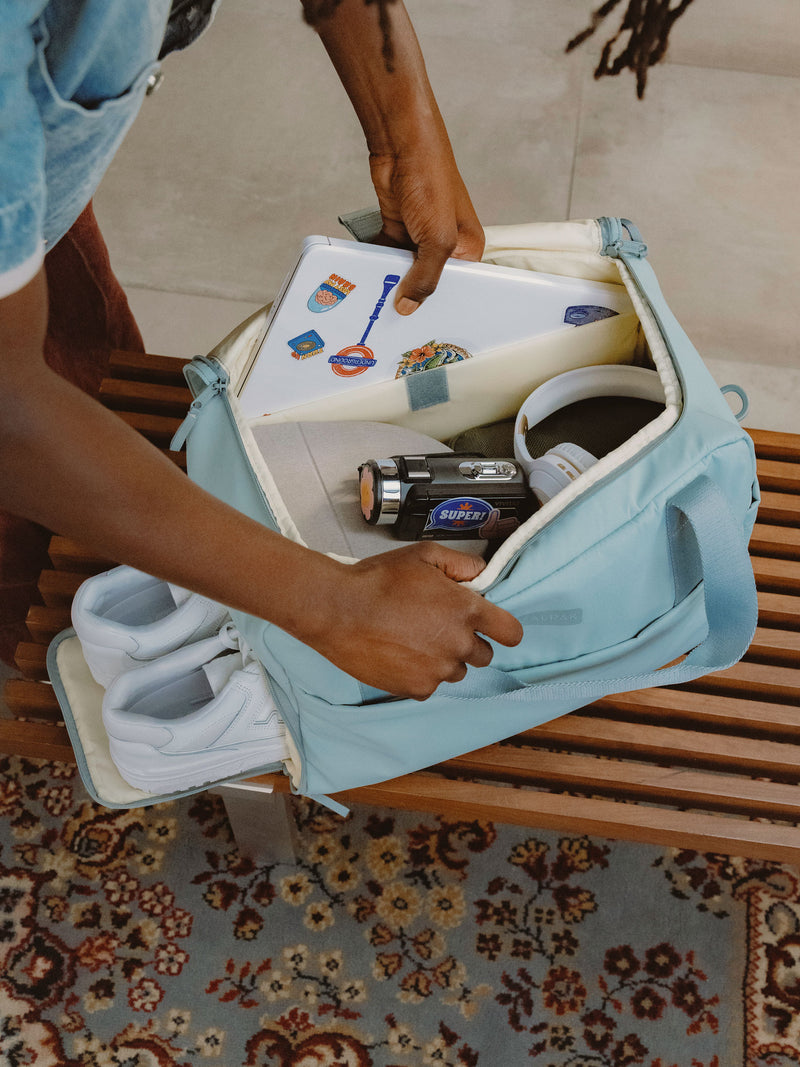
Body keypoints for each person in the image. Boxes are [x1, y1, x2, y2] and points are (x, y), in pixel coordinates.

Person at [0, 0, 523, 700]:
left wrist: (403, 128)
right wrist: (332, 605)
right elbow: (9, 414)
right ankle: (38, 642)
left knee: (87, 372)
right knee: (27, 523)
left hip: (32, 180)